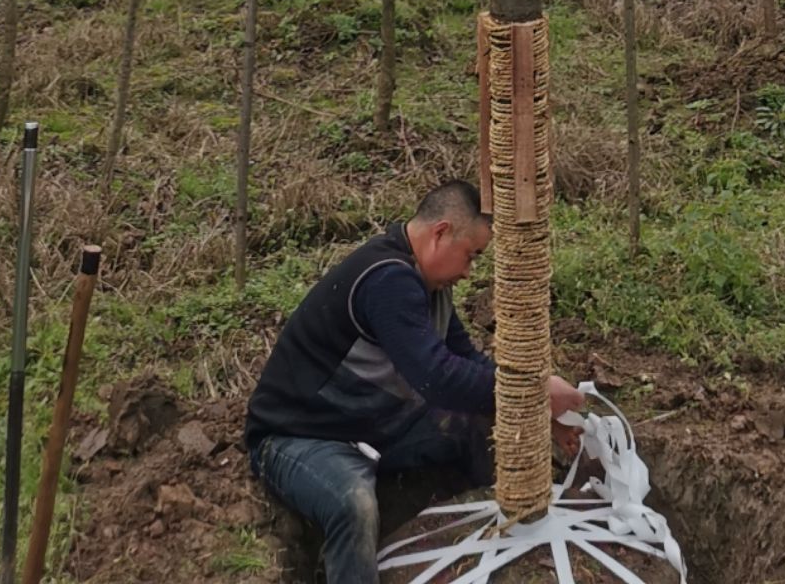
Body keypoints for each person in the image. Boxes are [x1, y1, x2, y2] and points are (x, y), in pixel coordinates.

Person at [246, 179, 584, 584]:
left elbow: (465, 360)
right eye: (470, 256)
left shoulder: (428, 283)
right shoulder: (388, 280)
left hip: (373, 424)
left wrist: (533, 411)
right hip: (300, 437)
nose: (467, 271)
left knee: (477, 427)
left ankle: (507, 550)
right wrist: (535, 391)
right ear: (441, 233)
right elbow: (438, 378)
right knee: (353, 505)